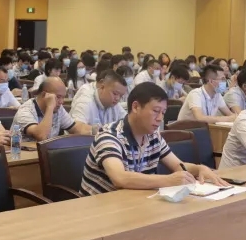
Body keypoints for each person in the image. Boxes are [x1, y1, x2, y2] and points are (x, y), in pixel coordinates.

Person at [81, 82, 223, 195]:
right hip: (98, 209)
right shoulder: (109, 136)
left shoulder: (153, 136)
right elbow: (120, 178)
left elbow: (178, 166)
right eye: (156, 111)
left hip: (135, 203)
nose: (160, 118)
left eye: (163, 112)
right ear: (135, 107)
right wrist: (168, 180)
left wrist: (199, 169)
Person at [14, 77, 91, 141]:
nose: (61, 102)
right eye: (58, 97)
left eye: (63, 97)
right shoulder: (25, 111)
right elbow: (41, 136)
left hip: (45, 153)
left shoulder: (58, 109)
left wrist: (95, 130)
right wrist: (50, 107)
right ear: (44, 95)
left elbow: (76, 128)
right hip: (21, 154)